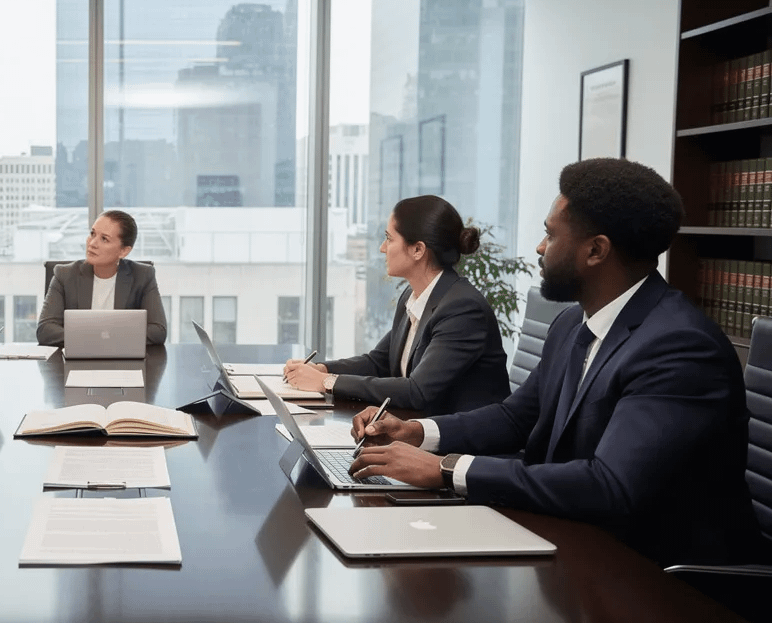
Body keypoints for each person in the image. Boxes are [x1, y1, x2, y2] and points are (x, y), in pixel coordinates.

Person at [347, 159, 755, 566]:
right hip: (575, 540)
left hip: (658, 578)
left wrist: (447, 469)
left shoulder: (678, 347)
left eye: (550, 234)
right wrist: (417, 432)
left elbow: (610, 486)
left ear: (596, 250)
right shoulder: (572, 324)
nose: (540, 247)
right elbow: (515, 418)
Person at [284, 195, 509, 415]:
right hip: (416, 427)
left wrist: (327, 382)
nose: (383, 248)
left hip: (460, 443)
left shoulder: (463, 309)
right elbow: (378, 362)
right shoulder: (412, 296)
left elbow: (417, 391)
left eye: (389, 238)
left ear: (418, 250)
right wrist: (321, 369)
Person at [36, 209, 167, 346]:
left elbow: (158, 331)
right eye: (92, 234)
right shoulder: (65, 275)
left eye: (104, 239)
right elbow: (45, 330)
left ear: (124, 251)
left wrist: (98, 338)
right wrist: (101, 339)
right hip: (78, 360)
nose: (92, 243)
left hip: (123, 361)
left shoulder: (143, 276)